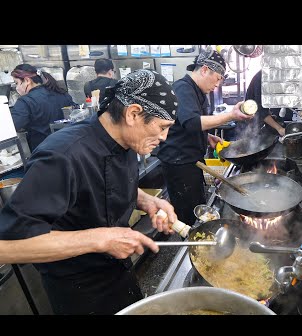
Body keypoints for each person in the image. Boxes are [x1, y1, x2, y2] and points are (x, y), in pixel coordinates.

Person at [0, 69, 179, 315]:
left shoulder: (125, 141)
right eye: (162, 127)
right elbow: (7, 245)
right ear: (133, 113)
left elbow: (101, 183)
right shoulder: (62, 156)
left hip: (118, 272)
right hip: (79, 291)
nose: (164, 137)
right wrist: (99, 239)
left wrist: (145, 200)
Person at [157, 49, 254, 226]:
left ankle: (198, 238)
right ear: (204, 70)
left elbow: (182, 124)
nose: (217, 85)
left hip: (190, 160)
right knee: (189, 214)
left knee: (198, 207)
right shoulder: (183, 88)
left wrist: (206, 136)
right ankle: (190, 247)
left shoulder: (197, 91)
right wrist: (231, 115)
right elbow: (192, 123)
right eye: (217, 78)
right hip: (179, 164)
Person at [10, 64, 76, 152]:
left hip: (44, 154)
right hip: (69, 148)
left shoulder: (25, 102)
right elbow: (76, 113)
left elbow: (12, 127)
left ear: (27, 80)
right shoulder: (62, 93)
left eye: (17, 83)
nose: (17, 88)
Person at [236, 69, 286, 137]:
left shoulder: (272, 76)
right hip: (249, 121)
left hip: (258, 120)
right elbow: (261, 110)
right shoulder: (260, 79)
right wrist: (279, 128)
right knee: (252, 143)